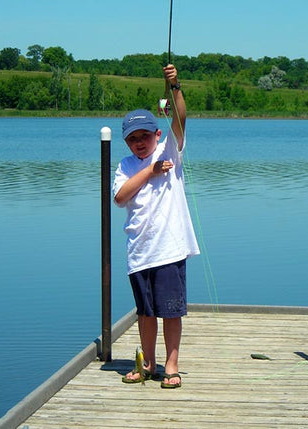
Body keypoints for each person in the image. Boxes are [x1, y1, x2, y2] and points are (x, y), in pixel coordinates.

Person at [113, 64, 199, 388]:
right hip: (139, 252)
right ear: (126, 142)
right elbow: (120, 197)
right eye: (133, 139)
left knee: (171, 312)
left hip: (169, 248)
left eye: (144, 136)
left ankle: (171, 365)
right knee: (145, 314)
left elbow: (179, 118)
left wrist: (175, 86)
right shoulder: (125, 167)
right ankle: (148, 364)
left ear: (157, 135)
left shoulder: (170, 152)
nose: (139, 143)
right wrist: (150, 172)